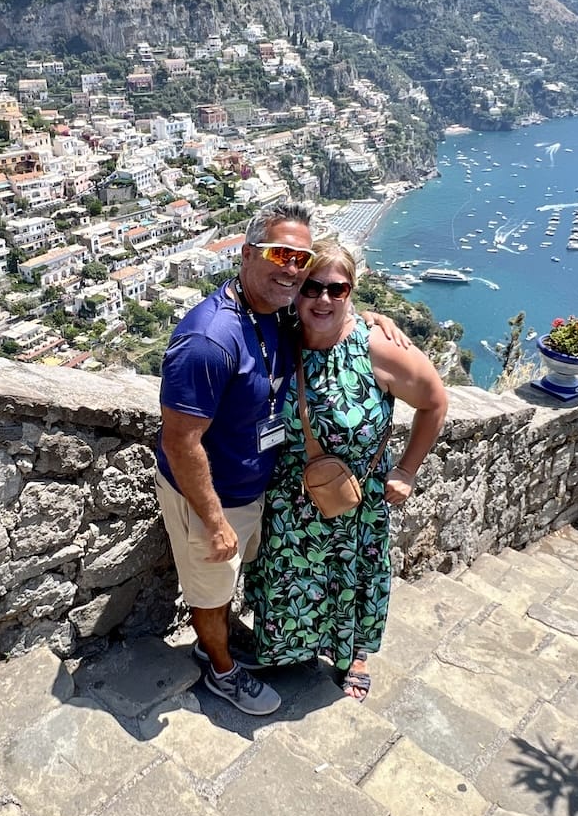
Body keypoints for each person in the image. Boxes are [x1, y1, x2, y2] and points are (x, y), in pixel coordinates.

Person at [155, 201, 407, 716]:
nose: (292, 268)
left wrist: (370, 318)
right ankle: (221, 670)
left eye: (301, 258)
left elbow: (329, 310)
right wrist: (215, 520)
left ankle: (218, 641)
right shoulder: (210, 338)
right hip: (212, 500)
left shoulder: (272, 312)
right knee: (211, 592)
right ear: (247, 255)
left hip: (251, 489)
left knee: (227, 585)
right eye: (279, 254)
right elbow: (181, 441)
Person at [244, 239, 448, 701]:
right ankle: (286, 647)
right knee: (288, 577)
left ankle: (353, 652)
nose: (323, 299)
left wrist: (408, 470)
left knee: (352, 576)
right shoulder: (279, 334)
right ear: (296, 288)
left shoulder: (376, 348)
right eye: (312, 287)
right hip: (289, 499)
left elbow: (435, 402)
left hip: (354, 501)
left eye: (337, 290)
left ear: (351, 291)